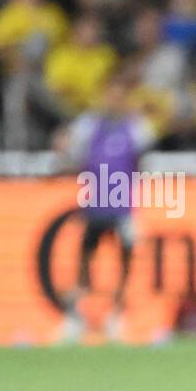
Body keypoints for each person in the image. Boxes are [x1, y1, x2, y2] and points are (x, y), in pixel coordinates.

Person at [57, 73, 156, 342]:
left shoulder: (138, 128)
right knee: (85, 262)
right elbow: (69, 154)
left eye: (120, 93)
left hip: (123, 209)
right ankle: (80, 317)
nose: (115, 99)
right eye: (111, 93)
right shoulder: (88, 126)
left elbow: (144, 164)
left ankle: (116, 316)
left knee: (125, 264)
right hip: (95, 206)